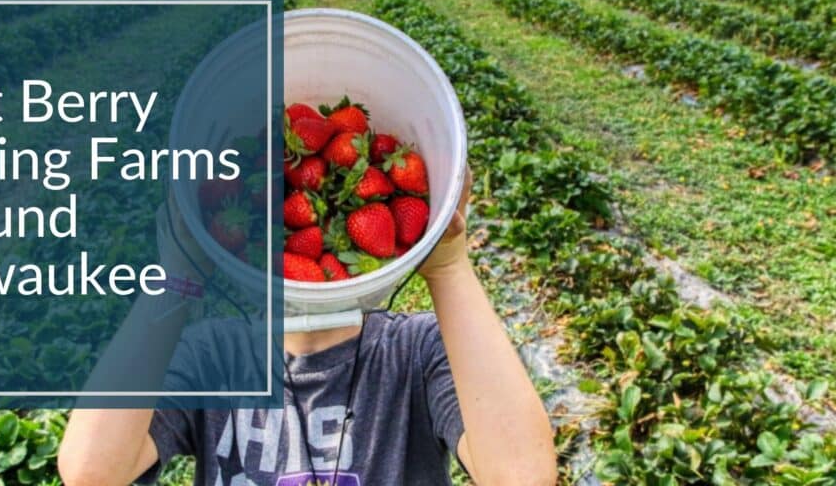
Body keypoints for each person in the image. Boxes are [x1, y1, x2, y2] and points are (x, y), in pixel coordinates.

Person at [58, 169, 559, 486]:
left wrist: (449, 267)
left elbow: (523, 476)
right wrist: (177, 276)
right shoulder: (212, 358)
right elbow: (91, 472)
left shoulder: (417, 350)